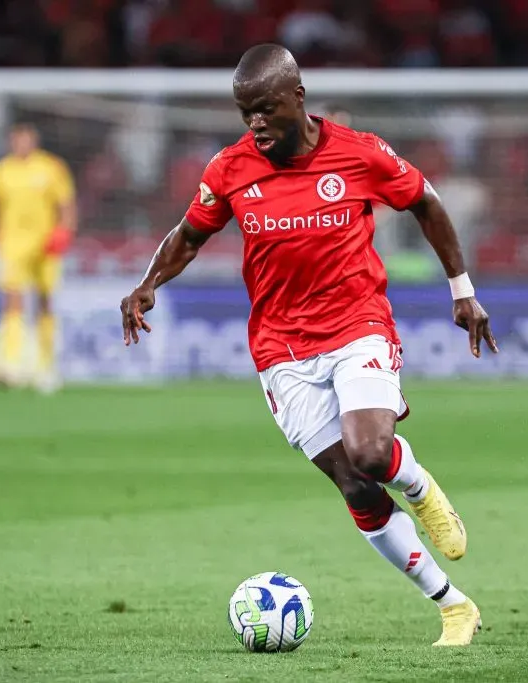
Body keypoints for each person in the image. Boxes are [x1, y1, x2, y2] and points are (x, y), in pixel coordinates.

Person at [120, 44, 497, 647]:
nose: (256, 124)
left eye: (266, 110)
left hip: (356, 324)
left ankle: (422, 489)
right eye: (246, 113)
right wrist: (147, 284)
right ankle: (454, 606)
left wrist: (463, 290)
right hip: (280, 349)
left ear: (297, 97)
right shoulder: (231, 168)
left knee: (372, 454)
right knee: (353, 483)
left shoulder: (360, 153)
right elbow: (189, 235)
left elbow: (426, 201)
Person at [0, 122, 77, 392]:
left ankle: (47, 366)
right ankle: (11, 364)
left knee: (45, 301)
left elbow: (66, 205)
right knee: (13, 301)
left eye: (26, 139)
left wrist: (64, 231)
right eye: (17, 140)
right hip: (12, 245)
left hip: (45, 244)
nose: (21, 144)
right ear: (11, 141)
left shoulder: (51, 167)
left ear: (34, 140)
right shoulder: (1, 171)